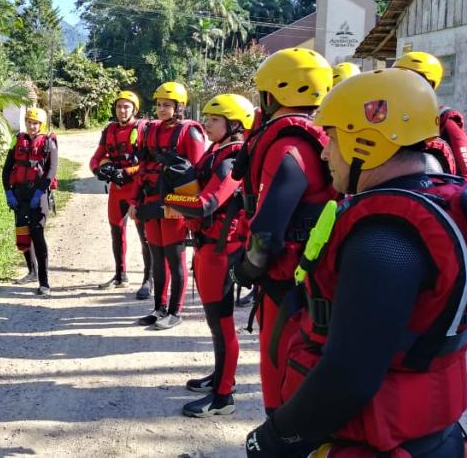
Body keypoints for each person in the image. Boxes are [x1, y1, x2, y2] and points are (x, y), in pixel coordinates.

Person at [246, 68, 467, 458]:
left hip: (380, 443)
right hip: (430, 436)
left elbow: (350, 375)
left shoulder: (383, 234)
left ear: (368, 142)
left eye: (332, 138)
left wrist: (272, 439)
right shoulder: (441, 201)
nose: (323, 152)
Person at [229, 48, 337, 414]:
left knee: (279, 383)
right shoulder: (325, 136)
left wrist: (244, 268)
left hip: (286, 286)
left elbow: (269, 234)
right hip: (314, 278)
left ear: (271, 95)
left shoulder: (288, 147)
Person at [163, 94, 253, 417]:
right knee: (214, 324)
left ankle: (223, 397)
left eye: (215, 120)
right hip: (206, 247)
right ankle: (219, 377)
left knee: (223, 323)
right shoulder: (216, 152)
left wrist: (168, 200)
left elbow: (207, 204)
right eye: (208, 118)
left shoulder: (232, 160)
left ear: (234, 126)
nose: (207, 123)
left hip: (222, 252)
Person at [128, 82, 205, 329]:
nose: (162, 109)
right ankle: (159, 308)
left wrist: (191, 211)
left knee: (175, 257)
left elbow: (197, 174)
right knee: (157, 256)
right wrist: (134, 201)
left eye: (167, 105)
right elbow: (141, 170)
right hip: (151, 202)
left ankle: (175, 310)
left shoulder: (189, 132)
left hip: (175, 204)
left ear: (179, 107)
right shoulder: (150, 130)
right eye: (159, 105)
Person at [89, 90, 153, 298]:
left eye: (126, 106)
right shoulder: (109, 130)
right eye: (119, 106)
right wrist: (99, 170)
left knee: (145, 236)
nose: (122, 110)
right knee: (116, 231)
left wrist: (127, 172)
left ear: (134, 109)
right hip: (117, 190)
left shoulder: (144, 128)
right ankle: (120, 275)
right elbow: (96, 158)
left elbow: (148, 162)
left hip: (137, 188)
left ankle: (148, 279)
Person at [394, 51, 467, 180]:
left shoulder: (445, 120)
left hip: (431, 194)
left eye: (413, 80)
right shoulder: (387, 115)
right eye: (399, 80)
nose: (404, 86)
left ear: (429, 85)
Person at [2, 107, 59, 295]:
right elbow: (7, 169)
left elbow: (51, 171)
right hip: (19, 193)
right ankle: (31, 271)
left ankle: (44, 282)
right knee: (23, 233)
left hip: (38, 194)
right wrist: (8, 193)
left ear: (41, 124)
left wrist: (40, 192)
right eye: (29, 122)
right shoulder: (17, 140)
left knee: (37, 234)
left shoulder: (49, 142)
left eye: (35, 123)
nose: (32, 126)